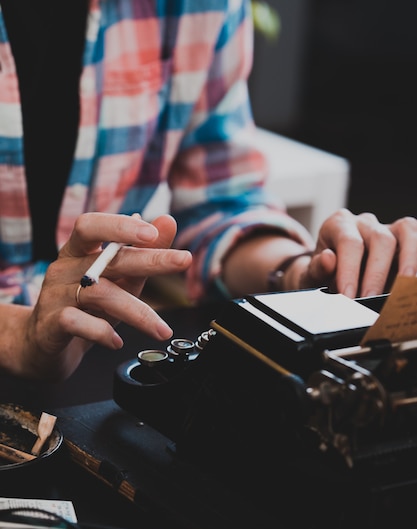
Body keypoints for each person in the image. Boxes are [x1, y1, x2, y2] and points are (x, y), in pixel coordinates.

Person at [0, 1, 416, 381]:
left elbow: (222, 203)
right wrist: (18, 335)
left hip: (92, 362)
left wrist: (301, 270)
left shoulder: (201, 7)